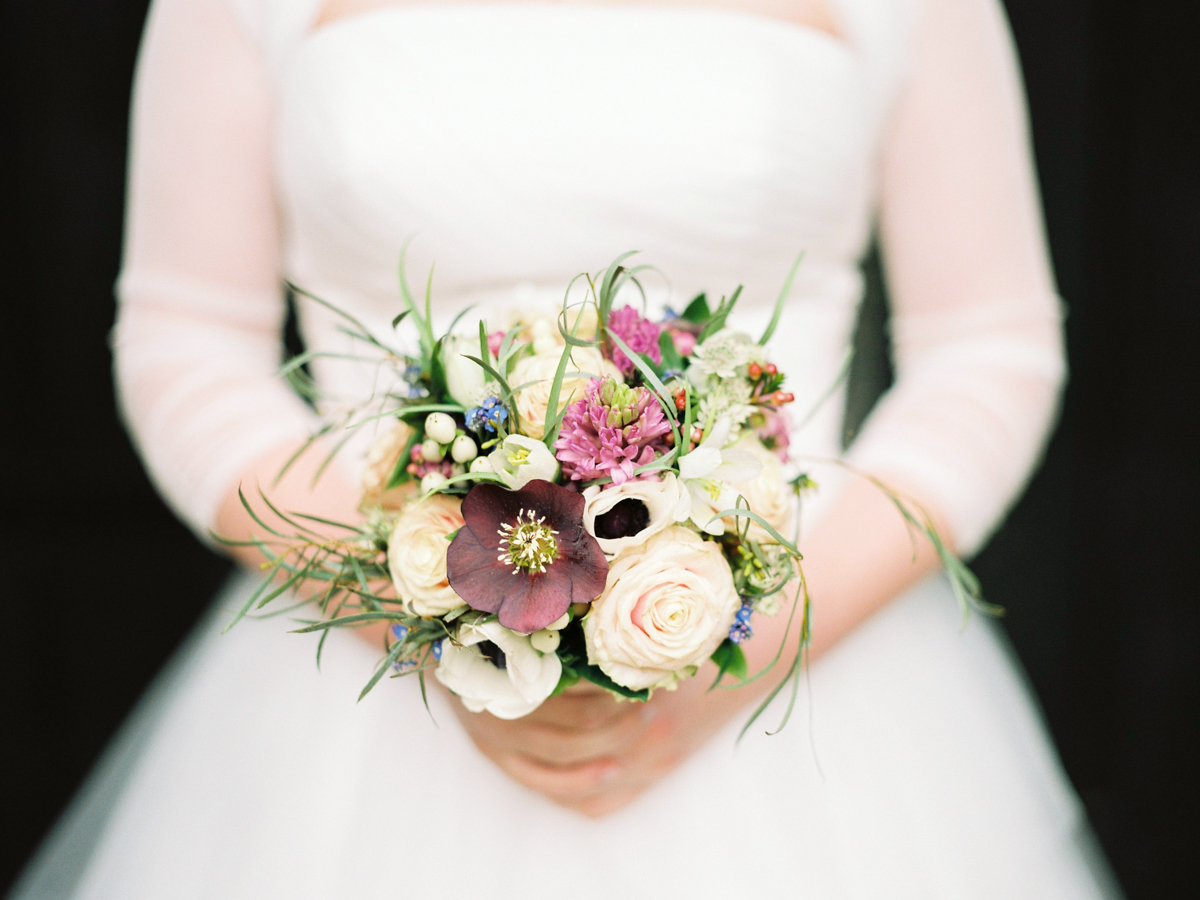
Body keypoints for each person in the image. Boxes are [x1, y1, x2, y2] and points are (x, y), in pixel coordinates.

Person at [12, 0, 1122, 897]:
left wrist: (735, 644)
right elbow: (185, 336)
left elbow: (989, 344)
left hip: (810, 687)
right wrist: (425, 615)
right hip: (371, 693)